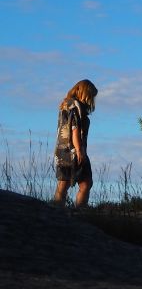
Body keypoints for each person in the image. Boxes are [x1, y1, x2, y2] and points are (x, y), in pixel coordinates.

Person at [53, 79, 98, 208]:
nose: (91, 99)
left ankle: (59, 210)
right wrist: (79, 150)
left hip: (63, 150)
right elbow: (75, 129)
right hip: (72, 150)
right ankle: (77, 212)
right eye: (90, 95)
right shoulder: (74, 105)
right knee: (80, 183)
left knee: (68, 183)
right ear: (84, 92)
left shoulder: (67, 104)